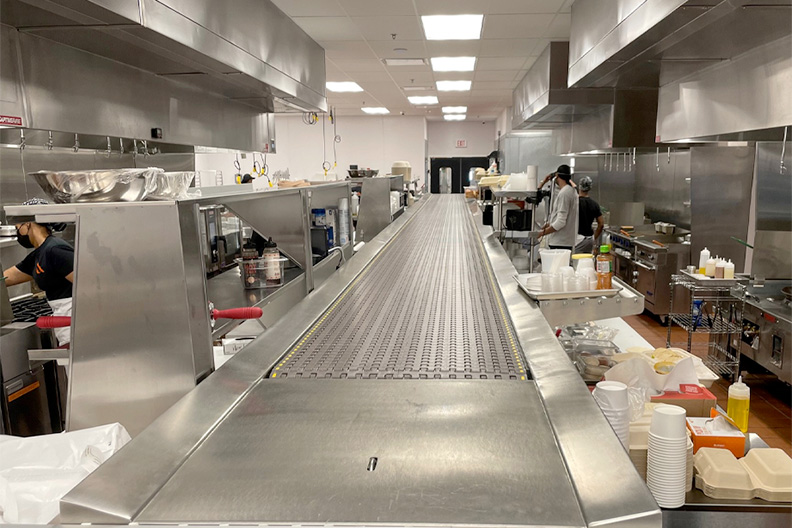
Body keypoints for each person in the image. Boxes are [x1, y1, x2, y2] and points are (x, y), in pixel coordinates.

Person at [3, 199, 74, 345]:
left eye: (18, 226)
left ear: (28, 224)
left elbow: (88, 285)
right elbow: (7, 278)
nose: (17, 231)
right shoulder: (39, 254)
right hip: (64, 321)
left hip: (75, 322)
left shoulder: (55, 250)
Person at [537, 164, 578, 251]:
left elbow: (561, 222)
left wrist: (542, 233)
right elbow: (560, 217)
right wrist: (547, 225)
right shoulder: (572, 191)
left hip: (560, 243)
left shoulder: (564, 193)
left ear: (557, 176)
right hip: (564, 241)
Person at [575, 176, 604, 254]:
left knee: (576, 263)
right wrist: (594, 238)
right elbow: (601, 224)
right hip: (589, 239)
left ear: (579, 187)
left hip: (577, 240)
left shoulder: (575, 203)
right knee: (587, 262)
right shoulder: (594, 204)